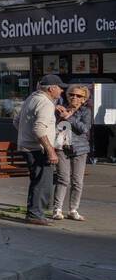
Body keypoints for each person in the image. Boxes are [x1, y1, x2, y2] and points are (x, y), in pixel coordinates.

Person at [17, 76, 63, 225]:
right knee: (41, 182)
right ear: (51, 89)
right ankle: (35, 215)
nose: (62, 90)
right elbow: (39, 129)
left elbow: (16, 121)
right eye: (60, 87)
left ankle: (35, 213)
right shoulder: (45, 103)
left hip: (27, 146)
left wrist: (26, 136)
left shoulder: (32, 98)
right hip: (38, 149)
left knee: (37, 180)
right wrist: (50, 151)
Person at [52, 84, 92, 221]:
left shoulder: (85, 112)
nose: (74, 97)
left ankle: (73, 210)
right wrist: (57, 114)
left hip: (79, 150)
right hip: (62, 148)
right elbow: (52, 126)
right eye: (71, 94)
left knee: (77, 181)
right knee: (63, 178)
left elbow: (84, 129)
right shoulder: (59, 109)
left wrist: (69, 118)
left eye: (79, 96)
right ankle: (57, 209)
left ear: (84, 99)